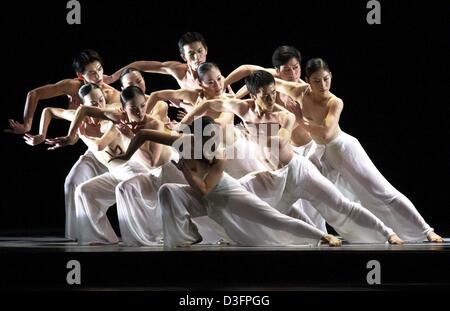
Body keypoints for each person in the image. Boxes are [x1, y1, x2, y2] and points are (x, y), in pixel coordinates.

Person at [181, 70, 403, 244]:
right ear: (253, 95)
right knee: (231, 197)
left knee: (340, 204)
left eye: (274, 93)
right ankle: (231, 236)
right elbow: (210, 104)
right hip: (272, 177)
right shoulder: (241, 107)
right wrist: (185, 124)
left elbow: (283, 135)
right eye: (265, 96)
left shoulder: (282, 115)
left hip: (297, 170)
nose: (271, 99)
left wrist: (277, 135)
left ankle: (387, 233)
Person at [275, 58, 444, 243]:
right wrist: (238, 94)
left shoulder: (334, 102)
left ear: (330, 76)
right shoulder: (298, 91)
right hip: (318, 152)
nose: (323, 85)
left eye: (326, 79)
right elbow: (263, 77)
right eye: (316, 81)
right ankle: (316, 235)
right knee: (312, 192)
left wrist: (300, 121)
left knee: (380, 191)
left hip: (341, 148)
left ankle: (426, 230)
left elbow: (326, 132)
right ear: (308, 81)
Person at [112, 116, 342, 247]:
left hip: (226, 194)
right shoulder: (183, 141)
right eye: (208, 137)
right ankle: (186, 237)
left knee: (272, 219)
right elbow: (143, 134)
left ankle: (322, 236)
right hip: (202, 195)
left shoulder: (219, 155)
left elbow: (204, 189)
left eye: (215, 136)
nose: (213, 141)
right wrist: (125, 155)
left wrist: (186, 172)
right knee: (167, 191)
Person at [6, 49, 120, 134]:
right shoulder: (73, 86)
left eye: (99, 69)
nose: (98, 76)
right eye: (91, 73)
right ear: (81, 75)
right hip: (73, 128)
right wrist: (27, 125)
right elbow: (33, 94)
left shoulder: (109, 89)